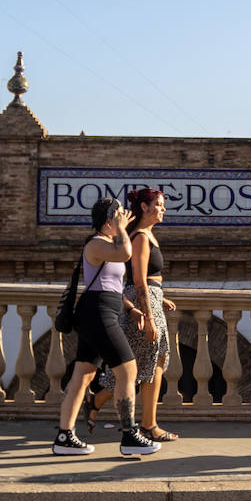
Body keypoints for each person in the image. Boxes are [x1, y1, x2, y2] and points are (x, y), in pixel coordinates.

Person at [53, 198, 160, 457]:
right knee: (127, 369)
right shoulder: (96, 244)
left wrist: (130, 308)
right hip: (97, 313)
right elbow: (125, 253)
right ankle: (129, 435)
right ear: (109, 220)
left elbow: (110, 284)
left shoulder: (108, 245)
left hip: (105, 309)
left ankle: (64, 436)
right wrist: (122, 228)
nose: (125, 217)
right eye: (119, 214)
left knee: (83, 375)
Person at [86, 189, 180, 441]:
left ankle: (147, 422)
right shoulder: (139, 237)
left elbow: (149, 280)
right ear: (145, 207)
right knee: (137, 365)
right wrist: (149, 316)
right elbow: (138, 280)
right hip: (143, 305)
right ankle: (100, 404)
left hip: (152, 300)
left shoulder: (148, 235)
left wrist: (160, 297)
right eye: (158, 205)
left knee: (154, 361)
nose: (163, 209)